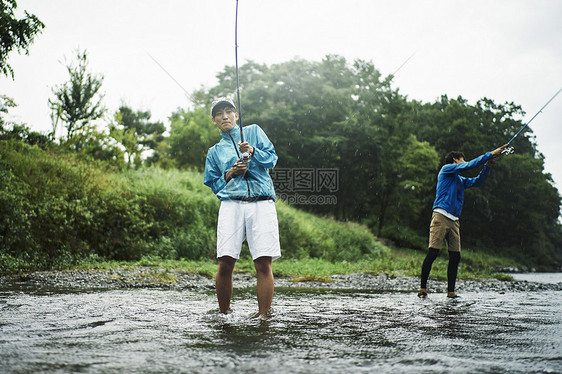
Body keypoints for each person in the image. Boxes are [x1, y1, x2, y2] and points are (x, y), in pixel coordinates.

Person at [204, 97, 281, 317]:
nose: (225, 116)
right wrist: (229, 174)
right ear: (214, 120)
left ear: (236, 115)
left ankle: (264, 317)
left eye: (229, 111)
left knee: (263, 262)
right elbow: (213, 184)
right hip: (231, 205)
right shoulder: (214, 152)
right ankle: (224, 316)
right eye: (219, 114)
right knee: (225, 262)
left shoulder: (254, 132)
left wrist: (253, 151)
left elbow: (272, 160)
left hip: (262, 203)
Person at [418, 144, 507, 299]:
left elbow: (477, 182)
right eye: (462, 159)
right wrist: (490, 153)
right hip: (440, 216)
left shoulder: (460, 179)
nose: (464, 161)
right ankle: (422, 289)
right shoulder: (446, 169)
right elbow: (469, 165)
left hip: (454, 221)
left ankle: (451, 292)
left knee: (455, 257)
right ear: (455, 160)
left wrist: (487, 165)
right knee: (433, 252)